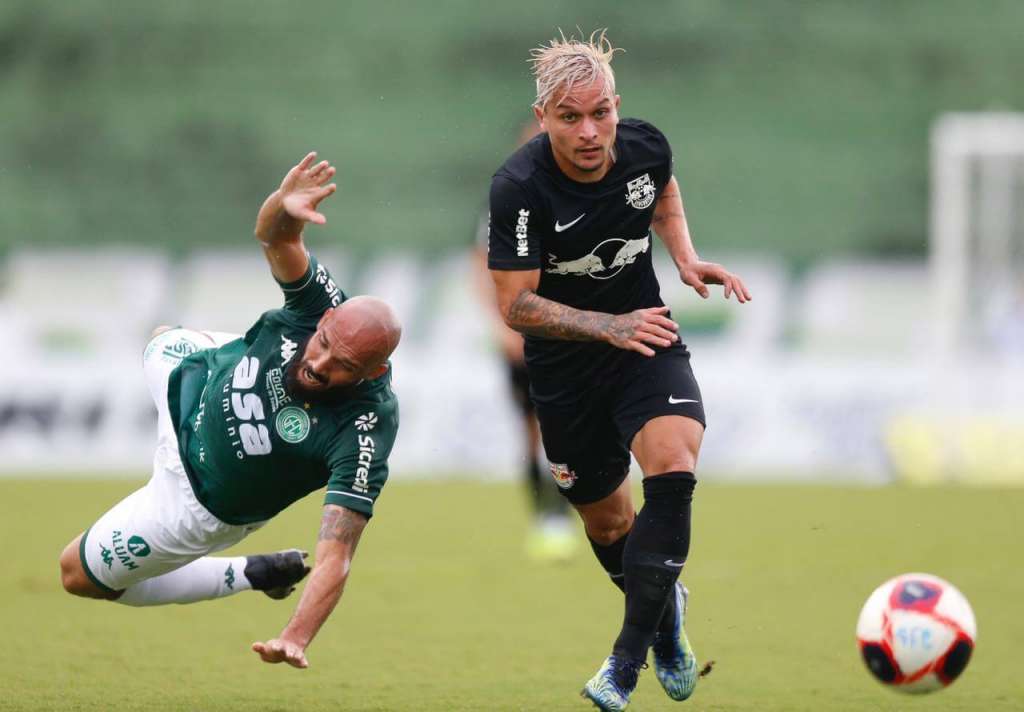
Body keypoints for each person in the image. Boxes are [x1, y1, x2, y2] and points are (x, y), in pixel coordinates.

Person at [487, 32, 751, 711]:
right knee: (607, 525)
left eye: (600, 112)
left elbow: (661, 191)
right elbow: (514, 305)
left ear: (616, 107)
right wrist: (606, 325)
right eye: (570, 117)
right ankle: (667, 618)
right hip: (566, 370)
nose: (589, 131)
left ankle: (626, 664)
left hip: (645, 345)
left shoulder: (644, 146)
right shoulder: (518, 188)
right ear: (543, 117)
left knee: (673, 463)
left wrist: (685, 258)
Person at [58, 152, 401, 670]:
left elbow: (336, 552)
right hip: (195, 380)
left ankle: (249, 573)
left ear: (372, 373)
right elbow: (277, 238)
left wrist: (297, 636)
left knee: (76, 575)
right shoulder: (320, 306)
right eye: (323, 342)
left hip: (194, 498)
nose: (318, 362)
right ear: (326, 318)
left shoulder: (365, 426)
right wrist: (282, 205)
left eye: (341, 364)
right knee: (159, 339)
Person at [473, 119, 577, 563]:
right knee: (532, 431)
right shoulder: (507, 199)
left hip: (572, 335)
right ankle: (546, 518)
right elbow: (481, 267)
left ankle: (580, 513)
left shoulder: (582, 195)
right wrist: (501, 327)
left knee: (577, 430)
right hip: (524, 338)